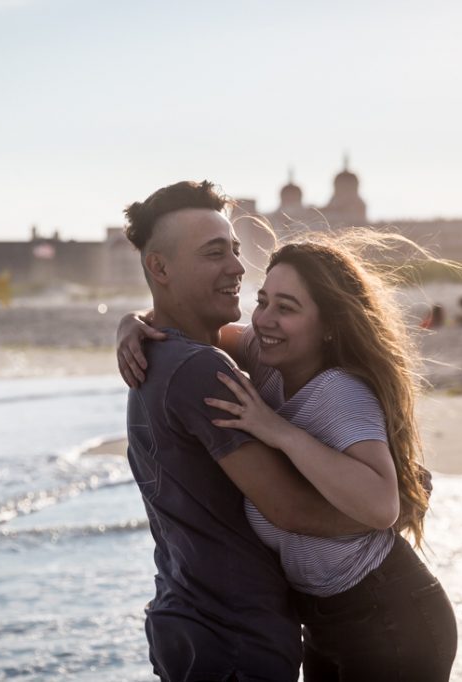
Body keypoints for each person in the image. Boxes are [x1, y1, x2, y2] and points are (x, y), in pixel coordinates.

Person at [119, 231, 459, 681]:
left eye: (287, 308)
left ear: (330, 324)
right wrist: (131, 322)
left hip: (391, 617)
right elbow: (190, 327)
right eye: (263, 301)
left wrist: (278, 431)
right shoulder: (264, 357)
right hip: (322, 624)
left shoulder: (341, 395)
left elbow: (382, 507)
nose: (265, 320)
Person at [118, 180, 369, 682]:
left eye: (234, 250)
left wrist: (132, 319)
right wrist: (390, 510)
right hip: (233, 637)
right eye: (214, 254)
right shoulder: (198, 369)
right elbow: (292, 509)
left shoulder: (157, 353)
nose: (237, 267)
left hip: (186, 621)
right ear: (159, 268)